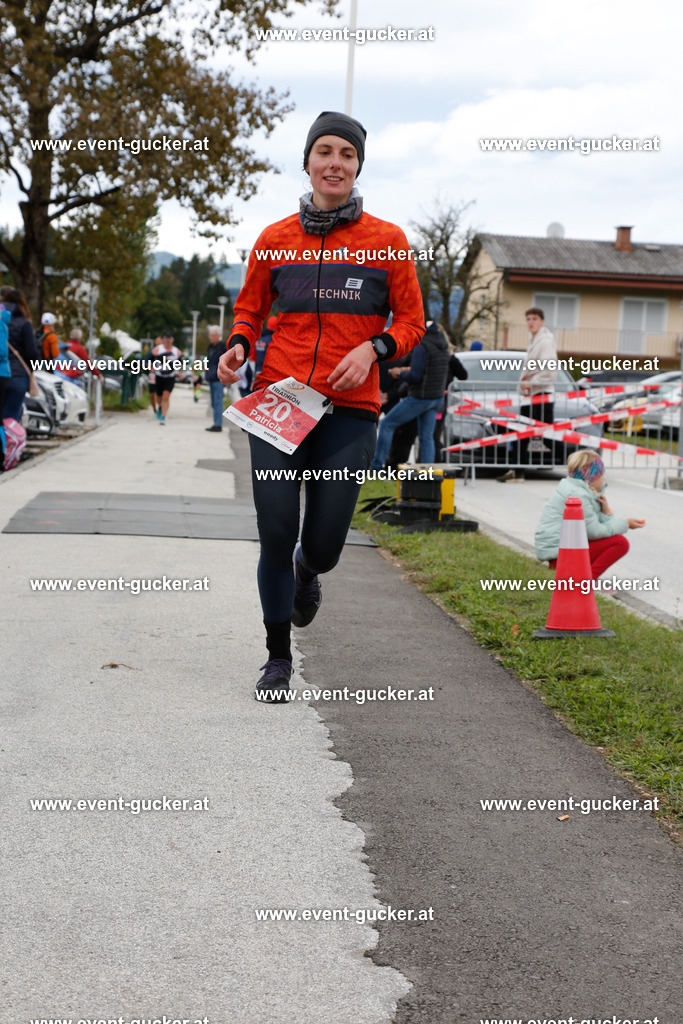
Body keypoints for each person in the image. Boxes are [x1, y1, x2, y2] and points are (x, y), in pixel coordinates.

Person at [217, 110, 424, 702]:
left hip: (351, 410)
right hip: (280, 402)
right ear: (307, 161)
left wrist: (374, 347)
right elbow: (250, 311)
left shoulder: (387, 241)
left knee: (326, 546)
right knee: (276, 531)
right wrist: (237, 345)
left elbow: (412, 322)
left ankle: (310, 573)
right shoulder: (274, 238)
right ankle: (277, 657)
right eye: (325, 152)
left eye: (347, 155)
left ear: (358, 167)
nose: (335, 163)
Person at [535, 450, 645, 580]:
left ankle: (582, 577)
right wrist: (625, 523)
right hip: (560, 557)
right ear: (591, 478)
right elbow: (594, 532)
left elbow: (595, 528)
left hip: (558, 554)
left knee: (611, 541)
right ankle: (586, 582)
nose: (604, 480)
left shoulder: (574, 488)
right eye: (601, 475)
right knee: (620, 543)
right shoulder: (579, 494)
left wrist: (605, 512)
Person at [371, 320, 449, 468]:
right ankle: (426, 472)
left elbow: (416, 375)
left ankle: (376, 465)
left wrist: (399, 374)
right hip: (436, 398)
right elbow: (428, 371)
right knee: (427, 437)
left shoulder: (422, 345)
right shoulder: (443, 346)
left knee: (387, 424)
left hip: (419, 397)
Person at [519, 307, 557, 462]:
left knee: (547, 436)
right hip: (533, 396)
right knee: (522, 433)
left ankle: (575, 466)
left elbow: (549, 371)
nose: (531, 322)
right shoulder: (534, 341)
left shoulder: (545, 342)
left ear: (542, 321)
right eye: (528, 319)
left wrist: (530, 383)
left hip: (541, 395)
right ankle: (516, 469)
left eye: (534, 319)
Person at [0, 286, 39, 422]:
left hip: (1, 372)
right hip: (17, 375)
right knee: (11, 418)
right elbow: (31, 352)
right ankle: (9, 442)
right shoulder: (24, 324)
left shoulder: (1, 321)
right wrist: (31, 370)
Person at [152, 330, 181, 424]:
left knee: (166, 397)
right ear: (163, 339)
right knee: (159, 398)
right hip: (159, 376)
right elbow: (149, 359)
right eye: (166, 338)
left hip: (170, 377)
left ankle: (163, 417)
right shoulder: (157, 349)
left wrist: (179, 372)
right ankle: (160, 407)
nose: (167, 340)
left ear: (172, 340)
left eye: (169, 339)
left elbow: (180, 363)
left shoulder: (177, 351)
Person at [204, 325, 227, 431]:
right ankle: (216, 422)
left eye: (213, 335)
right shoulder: (210, 347)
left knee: (218, 401)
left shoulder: (223, 347)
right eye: (210, 335)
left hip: (219, 378)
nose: (211, 337)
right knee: (213, 402)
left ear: (219, 336)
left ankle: (218, 424)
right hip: (211, 377)